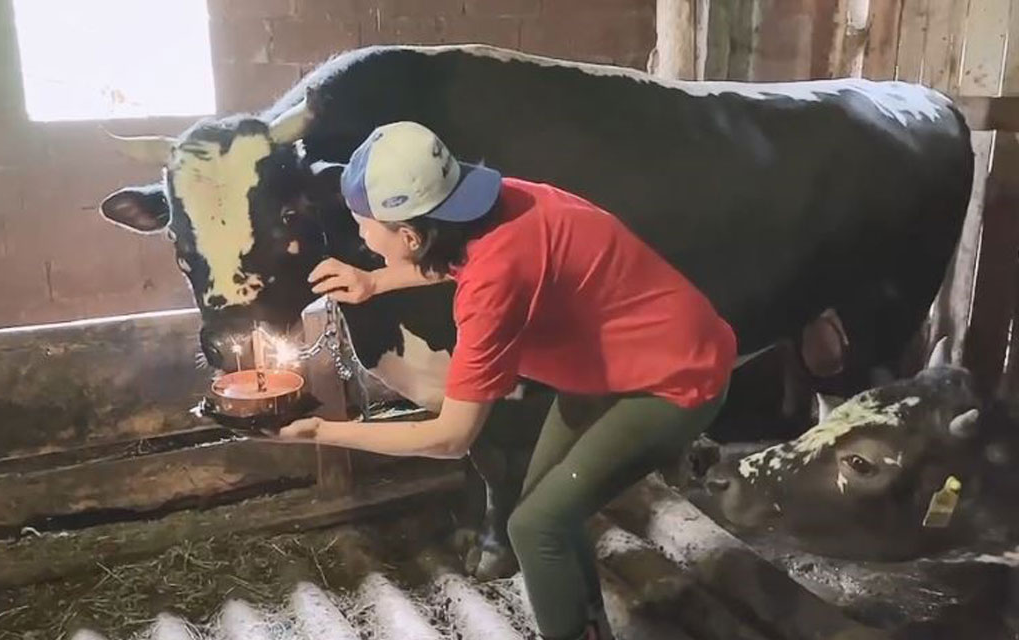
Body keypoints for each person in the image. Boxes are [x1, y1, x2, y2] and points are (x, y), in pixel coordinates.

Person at [267, 121, 737, 640]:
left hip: (675, 377)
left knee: (535, 526)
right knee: (543, 515)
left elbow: (450, 437)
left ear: (408, 235)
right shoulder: (487, 205)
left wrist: (325, 431)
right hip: (619, 357)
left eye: (364, 224)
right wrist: (375, 280)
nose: (360, 235)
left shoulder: (490, 286)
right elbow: (453, 256)